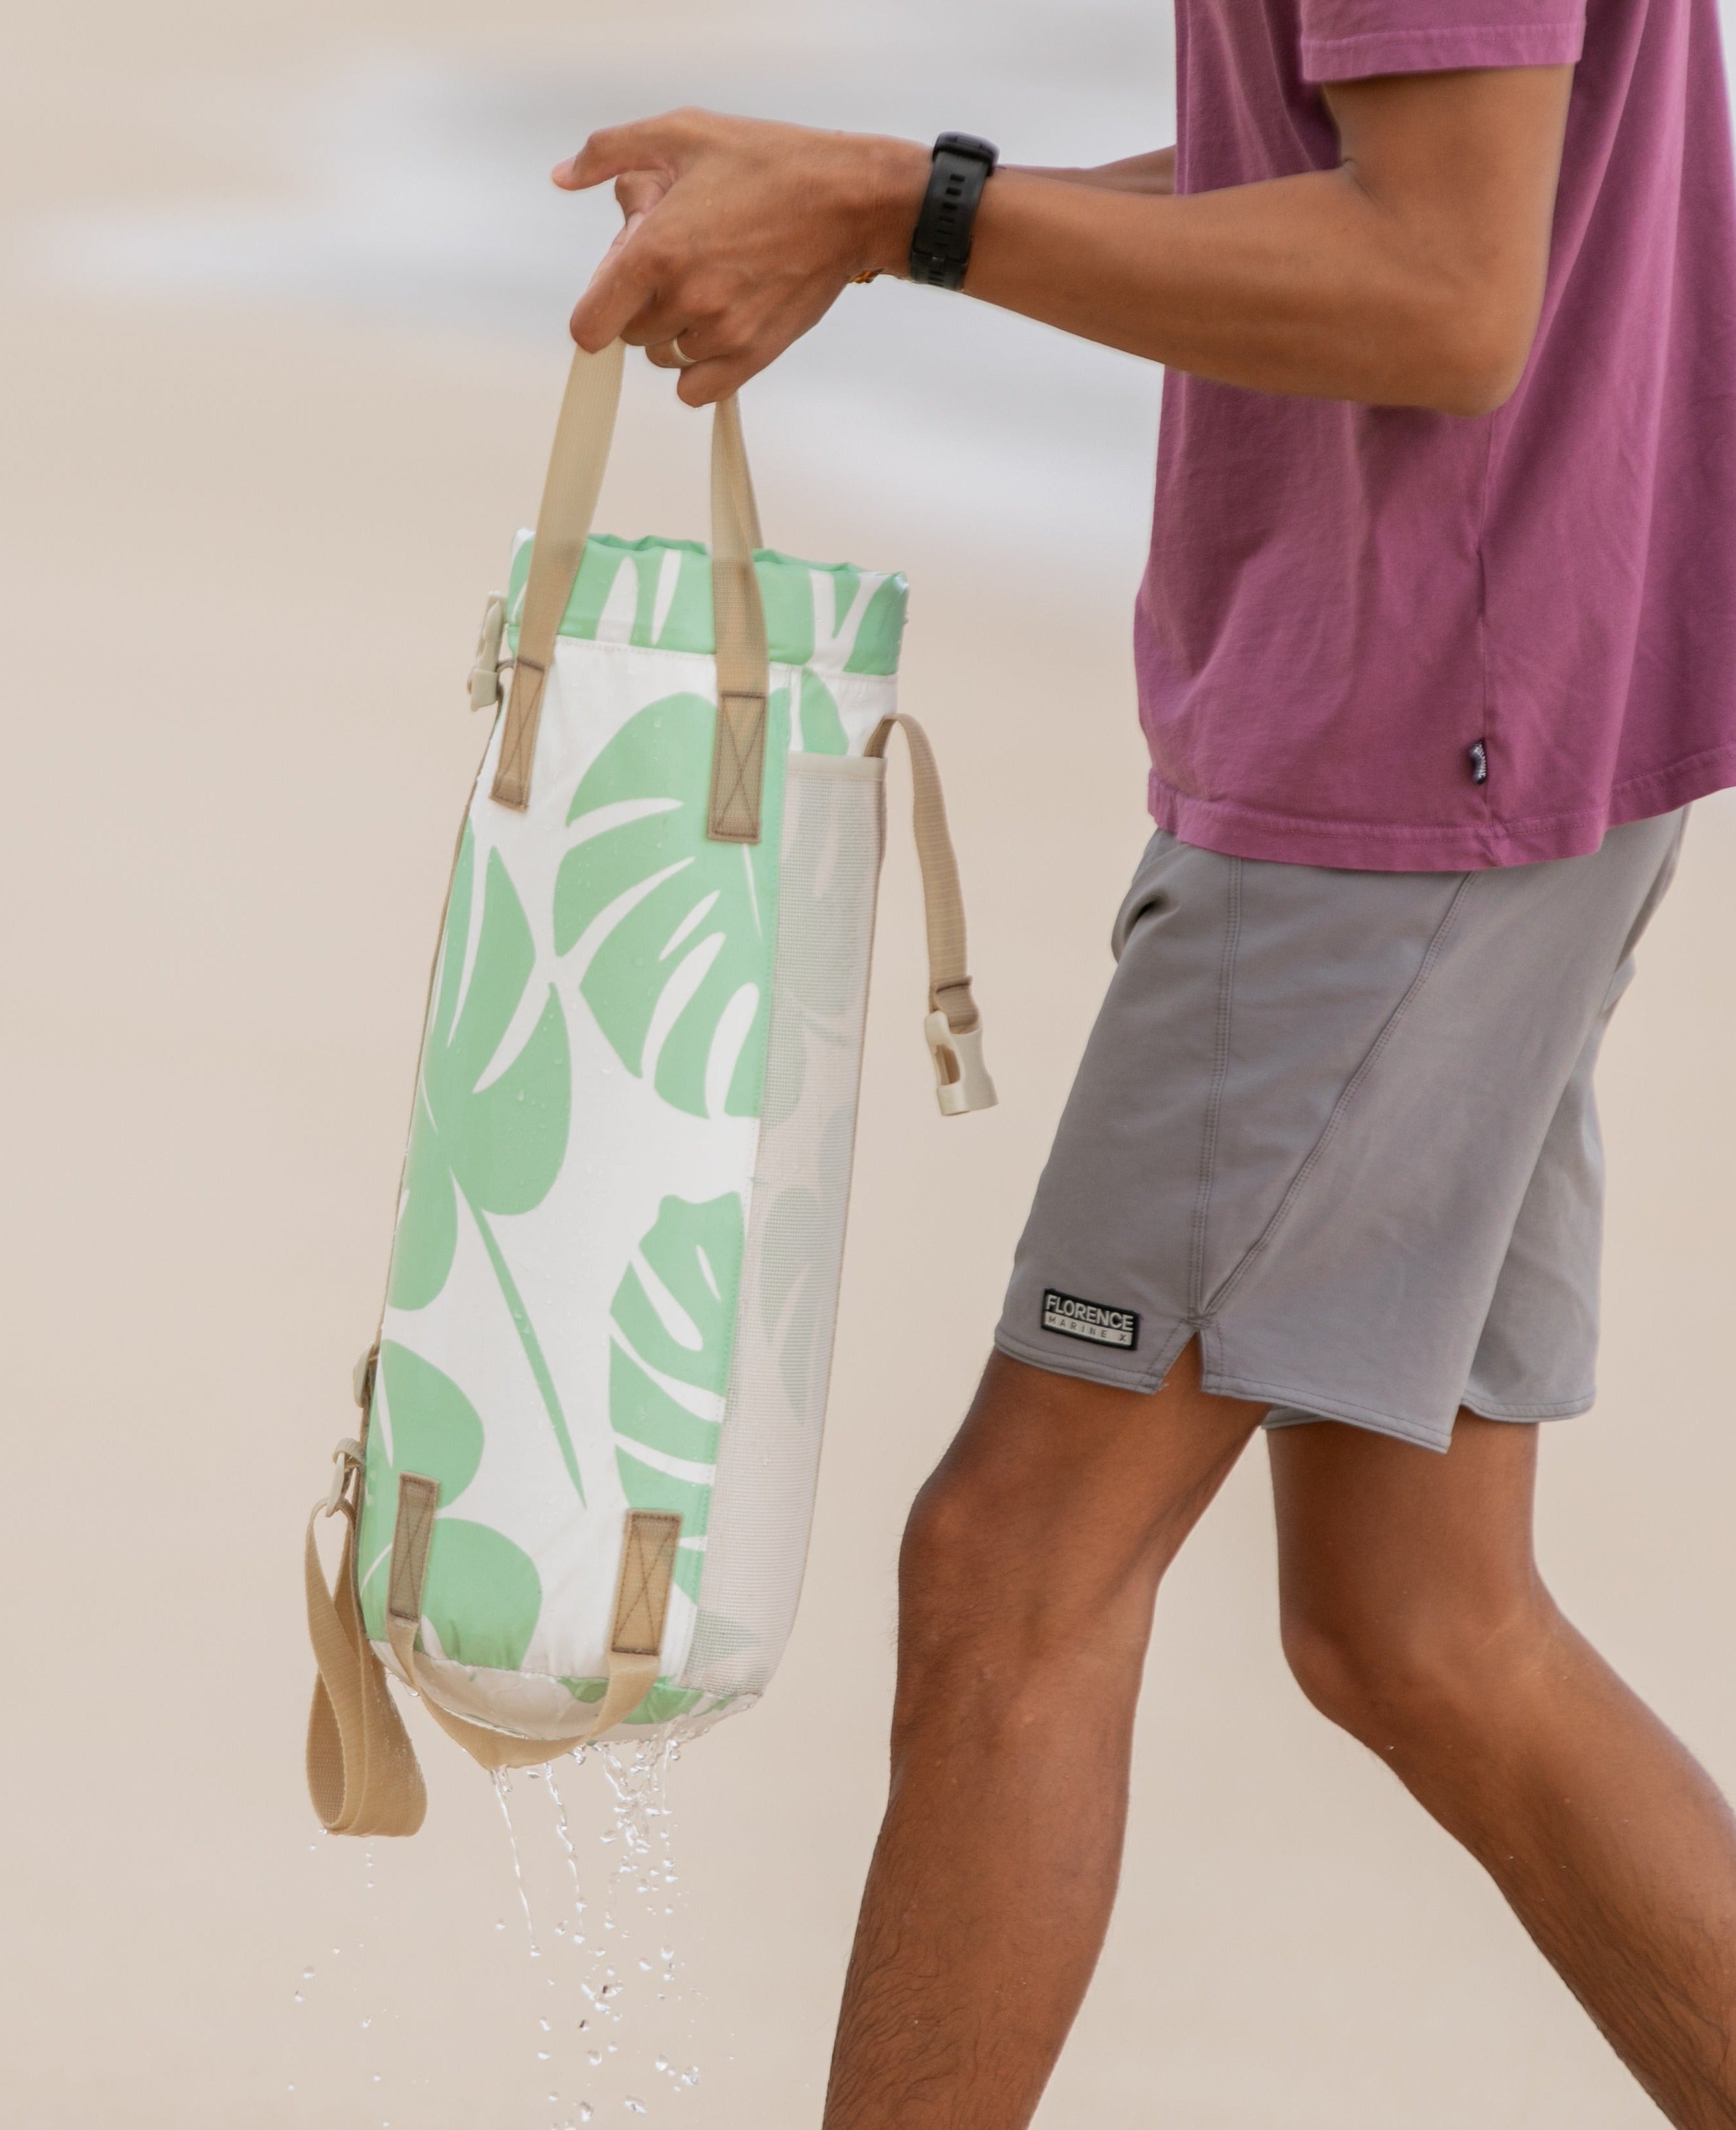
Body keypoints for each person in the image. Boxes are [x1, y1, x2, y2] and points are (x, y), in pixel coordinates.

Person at [552, 0, 1736, 2121]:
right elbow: (1395, 188)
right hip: (1504, 719)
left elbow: (1444, 292)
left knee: (1013, 1574)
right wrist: (880, 206)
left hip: (1409, 763)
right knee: (1419, 1626)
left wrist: (903, 209)